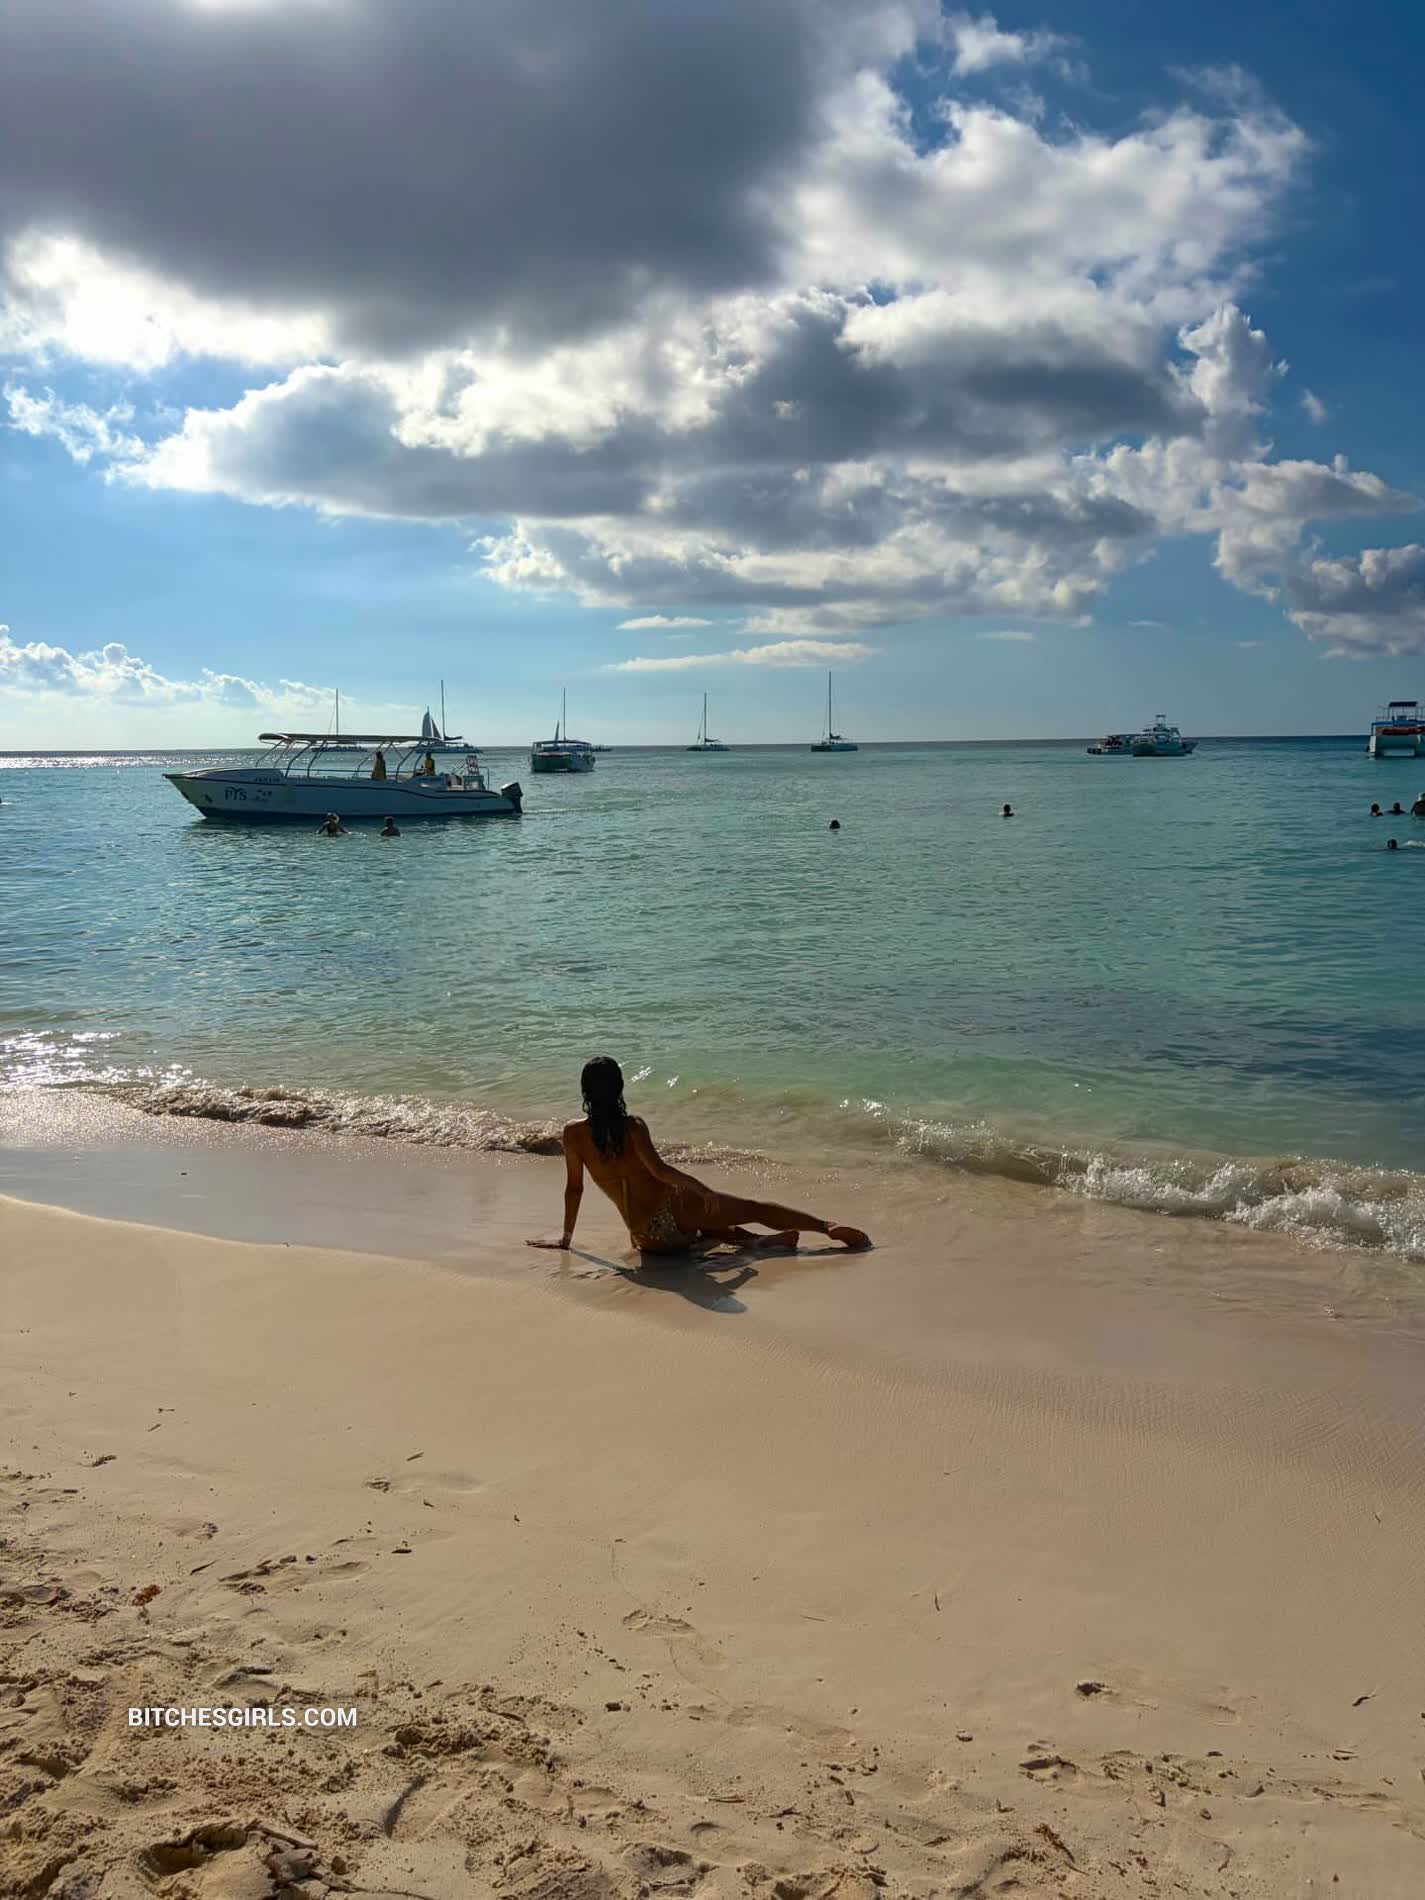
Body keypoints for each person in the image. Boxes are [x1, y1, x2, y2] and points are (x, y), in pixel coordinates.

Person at [528, 1057, 871, 1256]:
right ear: (619, 1087)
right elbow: (660, 1172)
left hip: (647, 1239)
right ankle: (826, 1227)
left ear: (586, 1091)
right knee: (752, 1208)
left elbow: (575, 1190)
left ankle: (762, 1243)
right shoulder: (633, 1127)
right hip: (674, 1215)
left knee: (710, 1227)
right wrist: (702, 1190)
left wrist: (565, 1240)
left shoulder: (572, 1134)